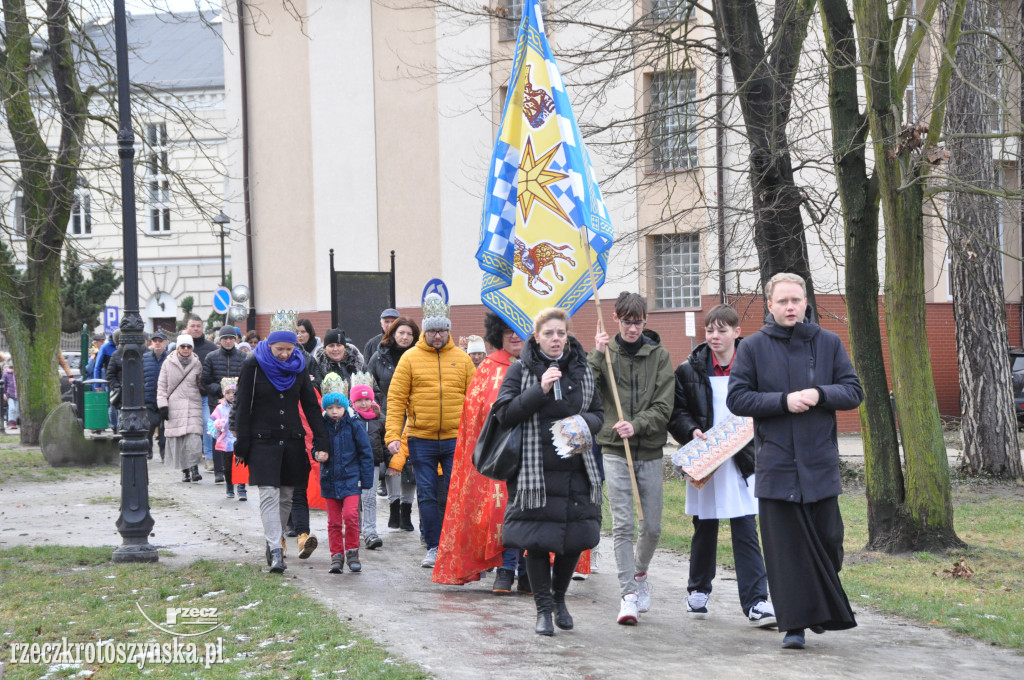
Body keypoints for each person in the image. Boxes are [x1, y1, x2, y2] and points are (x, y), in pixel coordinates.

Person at [727, 272, 863, 650]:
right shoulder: (753, 347)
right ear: (769, 305)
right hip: (777, 466)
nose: (790, 307)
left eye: (796, 300)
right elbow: (737, 399)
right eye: (782, 301)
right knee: (785, 554)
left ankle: (817, 607)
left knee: (830, 542)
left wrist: (819, 393)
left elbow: (853, 391)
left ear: (806, 303)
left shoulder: (829, 343)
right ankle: (794, 626)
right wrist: (782, 402)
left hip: (819, 463)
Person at [492, 308, 604, 636]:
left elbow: (598, 412)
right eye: (549, 334)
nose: (556, 340)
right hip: (534, 474)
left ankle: (559, 599)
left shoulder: (581, 370)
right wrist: (538, 389)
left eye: (561, 333)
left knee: (573, 540)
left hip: (575, 469)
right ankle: (542, 609)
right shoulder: (520, 370)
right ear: (536, 337)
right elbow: (504, 414)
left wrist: (584, 424)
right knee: (537, 541)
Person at [668, 304, 775, 628]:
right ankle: (698, 589)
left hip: (743, 459)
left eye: (722, 330)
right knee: (705, 527)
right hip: (707, 458)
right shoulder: (689, 369)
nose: (715, 336)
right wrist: (690, 432)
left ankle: (756, 601)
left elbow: (767, 403)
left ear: (736, 332)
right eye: (710, 330)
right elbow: (677, 411)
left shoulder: (755, 365)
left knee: (745, 528)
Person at [588, 291, 674, 625]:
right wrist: (596, 355)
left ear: (645, 321)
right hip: (613, 448)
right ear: (616, 319)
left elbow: (665, 406)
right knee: (622, 524)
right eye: (626, 322)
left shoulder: (660, 356)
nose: (632, 329)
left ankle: (639, 574)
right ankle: (627, 595)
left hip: (649, 449)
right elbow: (588, 391)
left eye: (637, 322)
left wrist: (636, 425)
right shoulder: (605, 353)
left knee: (651, 527)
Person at [433, 312, 525, 592]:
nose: (514, 335)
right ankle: (506, 568)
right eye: (508, 330)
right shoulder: (487, 368)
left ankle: (530, 570)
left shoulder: (541, 364)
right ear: (498, 333)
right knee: (501, 512)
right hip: (501, 454)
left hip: (534, 453)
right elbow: (474, 413)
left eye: (519, 328)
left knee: (531, 510)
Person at [233, 310, 329, 574]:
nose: (285, 354)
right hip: (262, 440)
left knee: (286, 496)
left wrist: (321, 439)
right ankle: (276, 549)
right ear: (269, 345)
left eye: (289, 348)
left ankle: (275, 539)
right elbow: (243, 405)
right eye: (279, 349)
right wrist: (241, 441)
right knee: (268, 495)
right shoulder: (253, 364)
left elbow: (310, 405)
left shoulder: (299, 366)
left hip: (292, 441)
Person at [385, 294, 476, 568]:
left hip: (454, 438)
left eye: (442, 330)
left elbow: (474, 399)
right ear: (425, 330)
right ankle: (434, 546)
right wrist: (392, 436)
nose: (438, 335)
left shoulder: (462, 360)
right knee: (426, 492)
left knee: (451, 493)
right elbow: (396, 399)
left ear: (449, 330)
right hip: (420, 438)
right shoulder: (410, 359)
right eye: (433, 330)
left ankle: (452, 543)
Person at [368, 316, 419, 530]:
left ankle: (406, 512)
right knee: (393, 463)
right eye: (401, 333)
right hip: (388, 416)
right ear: (393, 334)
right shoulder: (379, 357)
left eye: (409, 334)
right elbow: (372, 386)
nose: (405, 337)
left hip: (415, 416)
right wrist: (381, 410)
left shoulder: (419, 356)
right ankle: (393, 508)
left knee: (411, 465)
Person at [157, 334, 206, 483]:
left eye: (189, 346)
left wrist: (205, 387)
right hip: (174, 405)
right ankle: (185, 471)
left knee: (194, 439)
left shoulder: (197, 363)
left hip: (192, 404)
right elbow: (162, 386)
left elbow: (201, 383)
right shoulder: (168, 363)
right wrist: (162, 405)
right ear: (178, 347)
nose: (186, 349)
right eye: (183, 346)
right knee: (180, 440)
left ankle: (195, 468)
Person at [202, 326, 245, 484]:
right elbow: (205, 380)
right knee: (218, 435)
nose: (228, 341)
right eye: (225, 338)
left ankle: (237, 469)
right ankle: (219, 470)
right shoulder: (211, 357)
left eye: (231, 338)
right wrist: (221, 392)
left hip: (237, 403)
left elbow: (246, 379)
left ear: (235, 339)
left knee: (235, 434)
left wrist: (236, 394)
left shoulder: (242, 357)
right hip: (217, 403)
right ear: (220, 340)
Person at [349, 373, 386, 551]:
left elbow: (385, 442)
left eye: (366, 400)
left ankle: (370, 532)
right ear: (353, 403)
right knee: (353, 499)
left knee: (370, 498)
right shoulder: (348, 419)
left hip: (372, 464)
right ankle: (354, 530)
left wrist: (392, 462)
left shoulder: (380, 419)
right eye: (359, 401)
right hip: (352, 464)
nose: (363, 404)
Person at [184, 315, 218, 471]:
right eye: (193, 326)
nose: (196, 328)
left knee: (207, 425)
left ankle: (209, 458)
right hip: (186, 396)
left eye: (198, 326)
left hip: (205, 395)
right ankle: (190, 462)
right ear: (187, 328)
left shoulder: (211, 348)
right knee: (189, 429)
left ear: (203, 328)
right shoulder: (181, 347)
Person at [210, 377, 246, 500]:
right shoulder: (219, 408)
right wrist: (217, 427)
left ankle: (242, 489)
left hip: (239, 441)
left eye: (234, 393)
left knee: (241, 465)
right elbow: (211, 423)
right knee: (228, 466)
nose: (231, 396)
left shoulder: (242, 406)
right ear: (224, 394)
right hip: (226, 443)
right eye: (228, 393)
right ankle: (229, 486)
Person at [143, 330, 170, 460]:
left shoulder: (170, 358)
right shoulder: (145, 358)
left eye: (160, 341)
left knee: (164, 428)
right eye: (155, 341)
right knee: (149, 426)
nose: (158, 344)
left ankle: (164, 453)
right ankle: (148, 450)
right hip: (149, 398)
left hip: (165, 399)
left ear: (165, 343)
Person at [1, 362, 18, 432]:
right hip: (10, 394)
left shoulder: (16, 374)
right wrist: (4, 394)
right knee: (12, 408)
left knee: (17, 409)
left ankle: (15, 421)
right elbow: (3, 384)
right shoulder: (6, 374)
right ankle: (11, 423)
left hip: (17, 394)